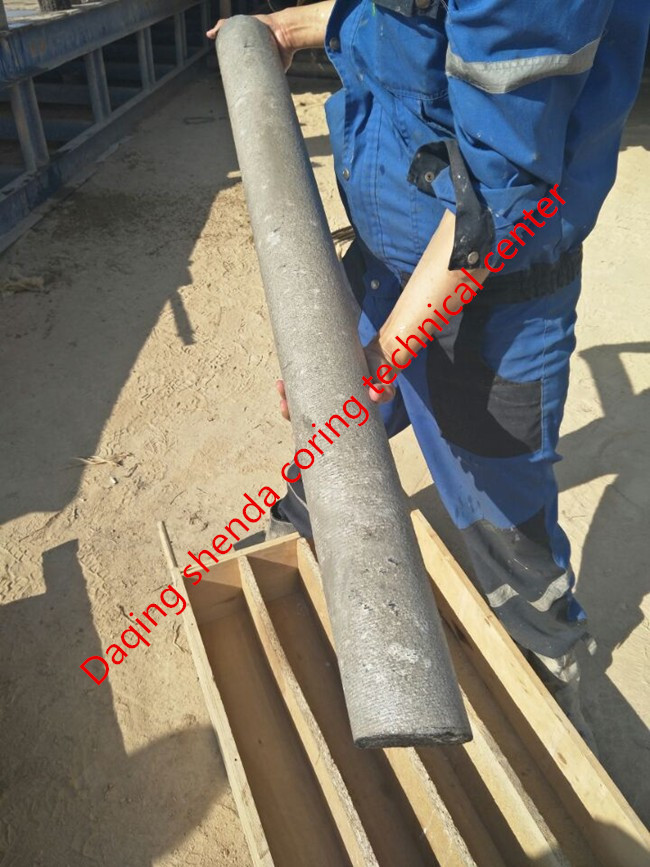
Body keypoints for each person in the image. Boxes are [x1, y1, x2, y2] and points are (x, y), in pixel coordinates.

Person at [208, 1, 649, 745]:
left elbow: (501, 196)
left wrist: (376, 363)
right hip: (391, 258)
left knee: (502, 510)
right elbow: (401, 15)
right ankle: (306, 526)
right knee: (333, 440)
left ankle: (548, 657)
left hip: (497, 299)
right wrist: (290, 28)